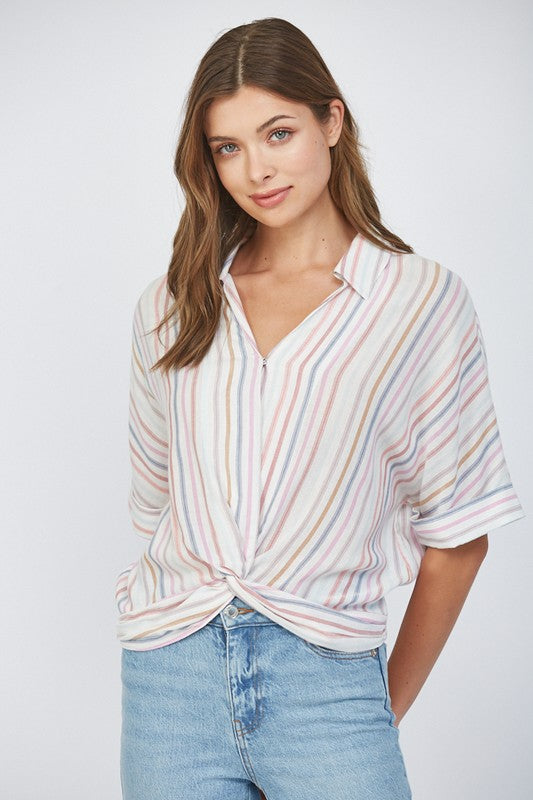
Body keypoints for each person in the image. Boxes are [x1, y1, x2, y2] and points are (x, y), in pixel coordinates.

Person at [116, 17, 525, 800]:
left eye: (278, 133)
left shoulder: (419, 301)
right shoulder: (171, 304)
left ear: (331, 121)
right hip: (170, 681)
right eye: (226, 147)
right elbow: (156, 506)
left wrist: (376, 711)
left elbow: (459, 534)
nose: (255, 170)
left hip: (325, 679)